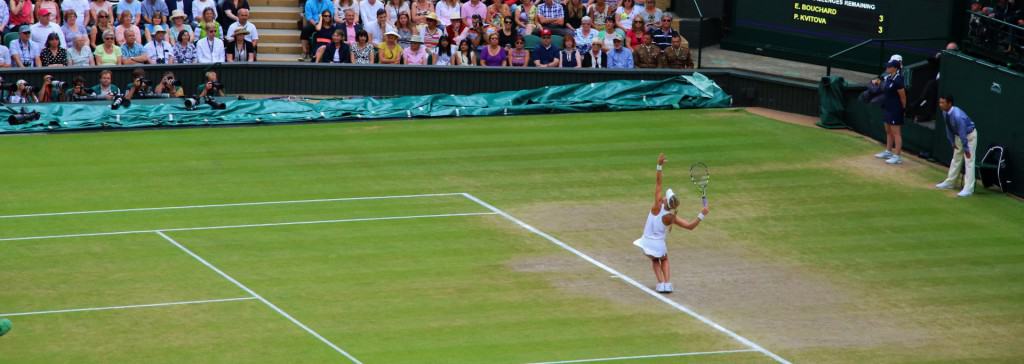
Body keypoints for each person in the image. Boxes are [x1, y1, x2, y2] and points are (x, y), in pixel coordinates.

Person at [633, 153, 709, 294]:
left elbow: (658, 183)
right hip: (659, 244)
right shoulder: (671, 217)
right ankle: (667, 284)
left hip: (648, 242)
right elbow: (690, 226)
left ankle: (660, 283)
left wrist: (659, 165)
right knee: (664, 259)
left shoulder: (656, 206)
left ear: (665, 201)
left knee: (655, 261)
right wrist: (702, 214)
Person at [935, 95, 980, 197]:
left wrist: (966, 148)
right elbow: (948, 127)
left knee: (969, 161)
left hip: (969, 137)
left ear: (949, 104)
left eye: (943, 103)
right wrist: (952, 142)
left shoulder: (958, 116)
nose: (940, 105)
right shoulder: (944, 112)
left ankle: (968, 189)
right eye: (940, 102)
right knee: (956, 158)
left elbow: (963, 133)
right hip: (958, 136)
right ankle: (950, 182)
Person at [873, 60, 906, 165]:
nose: (887, 68)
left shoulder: (898, 80)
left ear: (895, 68)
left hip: (895, 109)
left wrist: (902, 109)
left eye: (889, 67)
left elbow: (903, 97)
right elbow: (882, 86)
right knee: (888, 130)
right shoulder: (888, 77)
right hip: (887, 108)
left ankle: (897, 156)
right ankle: (888, 151)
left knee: (896, 133)